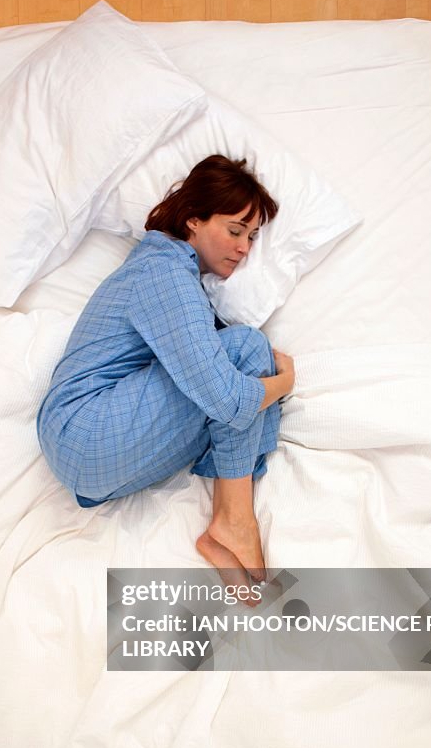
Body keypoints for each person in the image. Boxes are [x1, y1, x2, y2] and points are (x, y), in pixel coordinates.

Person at [36, 155, 295, 588]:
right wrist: (285, 383)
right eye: (235, 231)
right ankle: (233, 519)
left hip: (100, 468)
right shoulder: (162, 271)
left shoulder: (176, 279)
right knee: (247, 349)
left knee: (243, 360)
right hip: (86, 431)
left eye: (251, 237)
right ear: (193, 220)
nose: (244, 249)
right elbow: (228, 400)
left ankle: (227, 524)